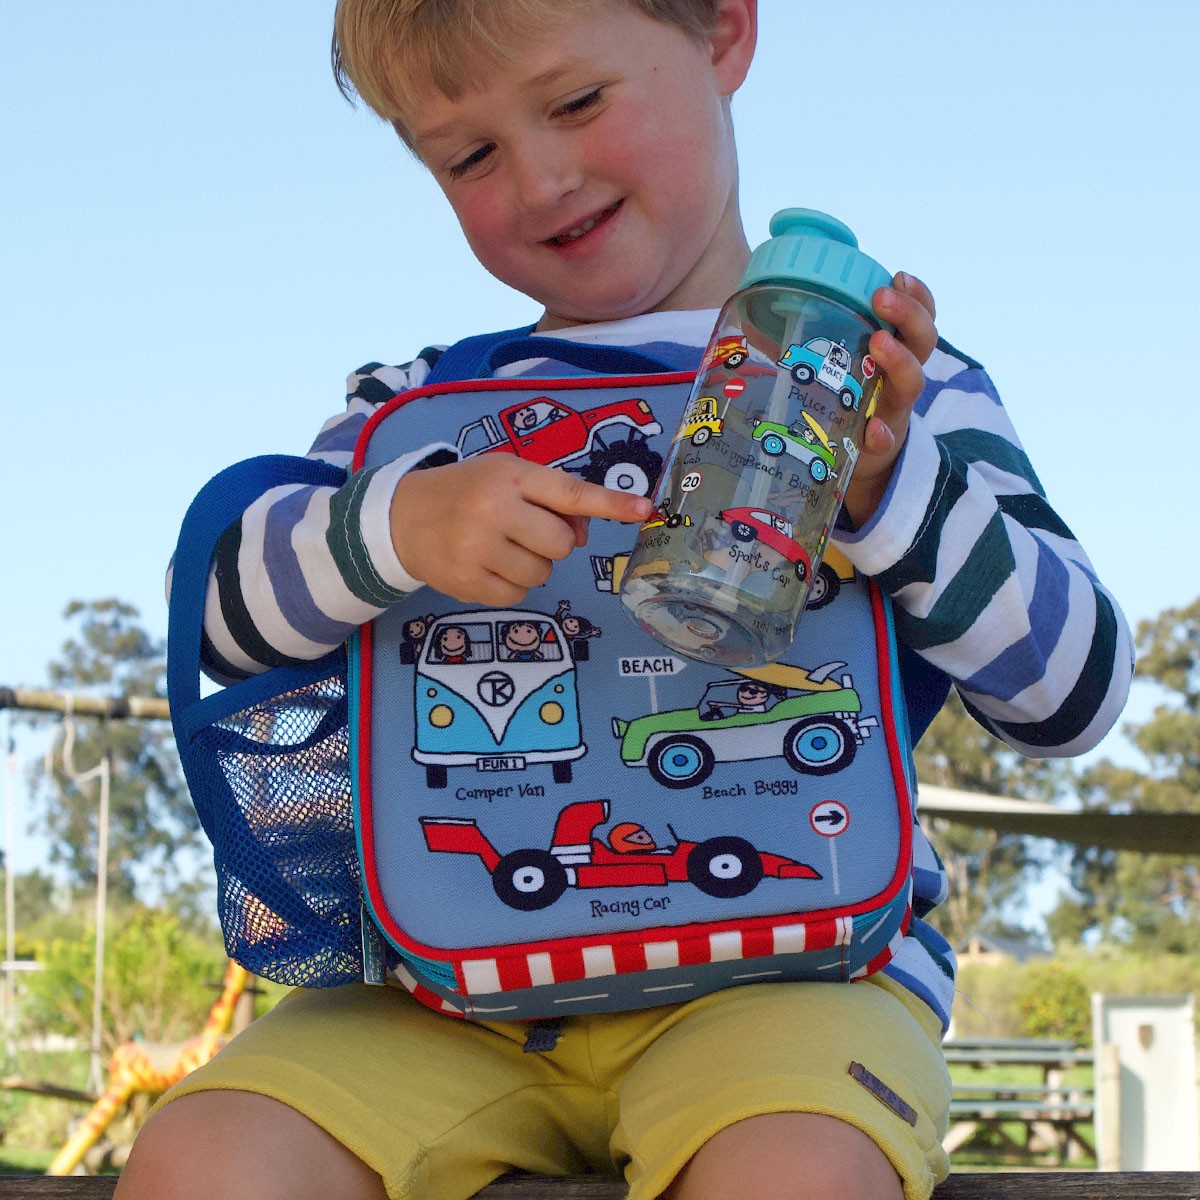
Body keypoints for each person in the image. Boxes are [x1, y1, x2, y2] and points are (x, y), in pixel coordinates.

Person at [116, 2, 1133, 1199]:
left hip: (800, 987)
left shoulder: (903, 395)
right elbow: (216, 615)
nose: (541, 178)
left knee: (791, 1174)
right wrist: (392, 527)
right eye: (470, 157)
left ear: (723, 34)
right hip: (443, 994)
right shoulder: (421, 410)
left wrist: (889, 492)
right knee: (203, 1160)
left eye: (577, 102)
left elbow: (1071, 699)